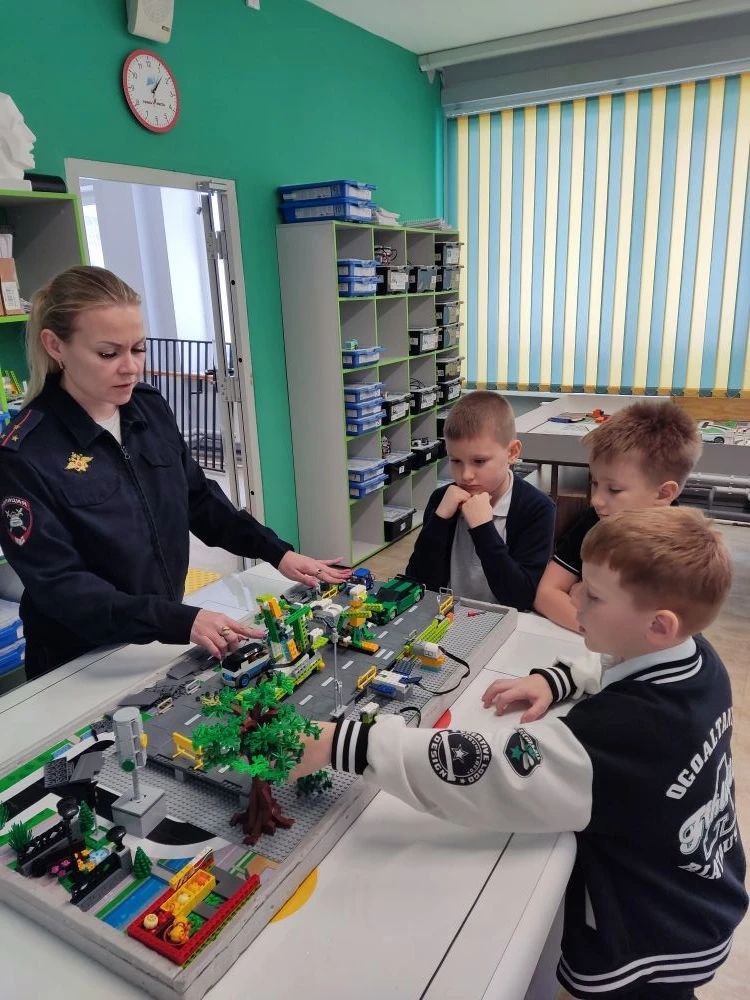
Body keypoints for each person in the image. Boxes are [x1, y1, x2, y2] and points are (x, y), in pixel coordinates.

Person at [294, 507, 747, 999]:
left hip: (649, 931)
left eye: (594, 595)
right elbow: (619, 661)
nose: (574, 595)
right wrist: (557, 679)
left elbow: (494, 773)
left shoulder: (629, 730)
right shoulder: (697, 660)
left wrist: (346, 743)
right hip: (698, 888)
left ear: (659, 625)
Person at [0, 266, 349, 678]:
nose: (131, 368)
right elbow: (62, 588)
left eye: (138, 349)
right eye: (109, 354)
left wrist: (277, 552)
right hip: (80, 658)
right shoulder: (25, 453)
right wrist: (181, 621)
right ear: (55, 345)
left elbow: (198, 499)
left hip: (155, 635)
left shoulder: (147, 407)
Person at [534, 400, 702, 632]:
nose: (596, 500)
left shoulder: (686, 549)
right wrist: (597, 624)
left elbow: (654, 631)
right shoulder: (593, 521)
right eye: (594, 483)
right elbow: (546, 594)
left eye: (614, 490)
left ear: (664, 493)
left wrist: (585, 599)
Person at [404, 391, 555, 610]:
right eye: (456, 461)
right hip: (447, 615)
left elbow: (520, 597)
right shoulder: (442, 499)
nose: (465, 475)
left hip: (507, 622)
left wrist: (483, 528)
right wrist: (439, 521)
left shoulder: (537, 509)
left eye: (479, 461)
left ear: (512, 452)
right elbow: (418, 582)